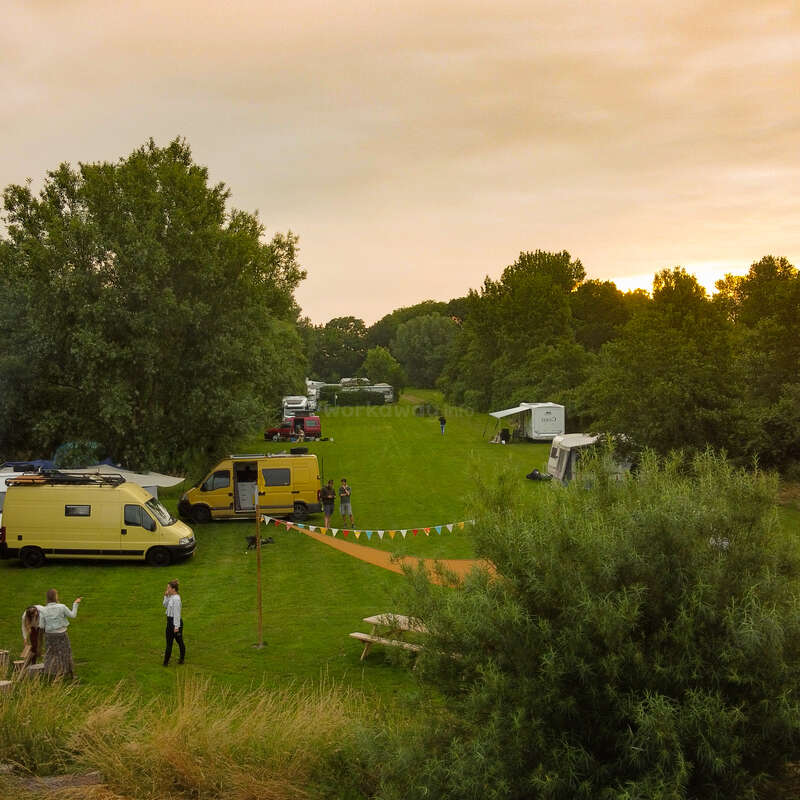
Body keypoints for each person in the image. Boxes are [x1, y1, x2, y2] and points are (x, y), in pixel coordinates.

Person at [39, 589, 82, 680]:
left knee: (50, 654)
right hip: (61, 635)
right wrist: (76, 603)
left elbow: (41, 625)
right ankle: (70, 674)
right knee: (66, 652)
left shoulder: (43, 610)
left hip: (49, 636)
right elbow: (73, 615)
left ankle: (51, 674)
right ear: (56, 597)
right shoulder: (62, 607)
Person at [162, 579, 185, 666]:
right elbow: (164, 605)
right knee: (169, 643)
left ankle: (182, 659)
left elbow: (177, 614)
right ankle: (165, 662)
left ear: (173, 589)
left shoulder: (176, 599)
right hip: (169, 622)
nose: (167, 589)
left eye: (168, 588)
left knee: (179, 641)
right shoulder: (171, 597)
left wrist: (176, 627)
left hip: (176, 623)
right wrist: (166, 596)